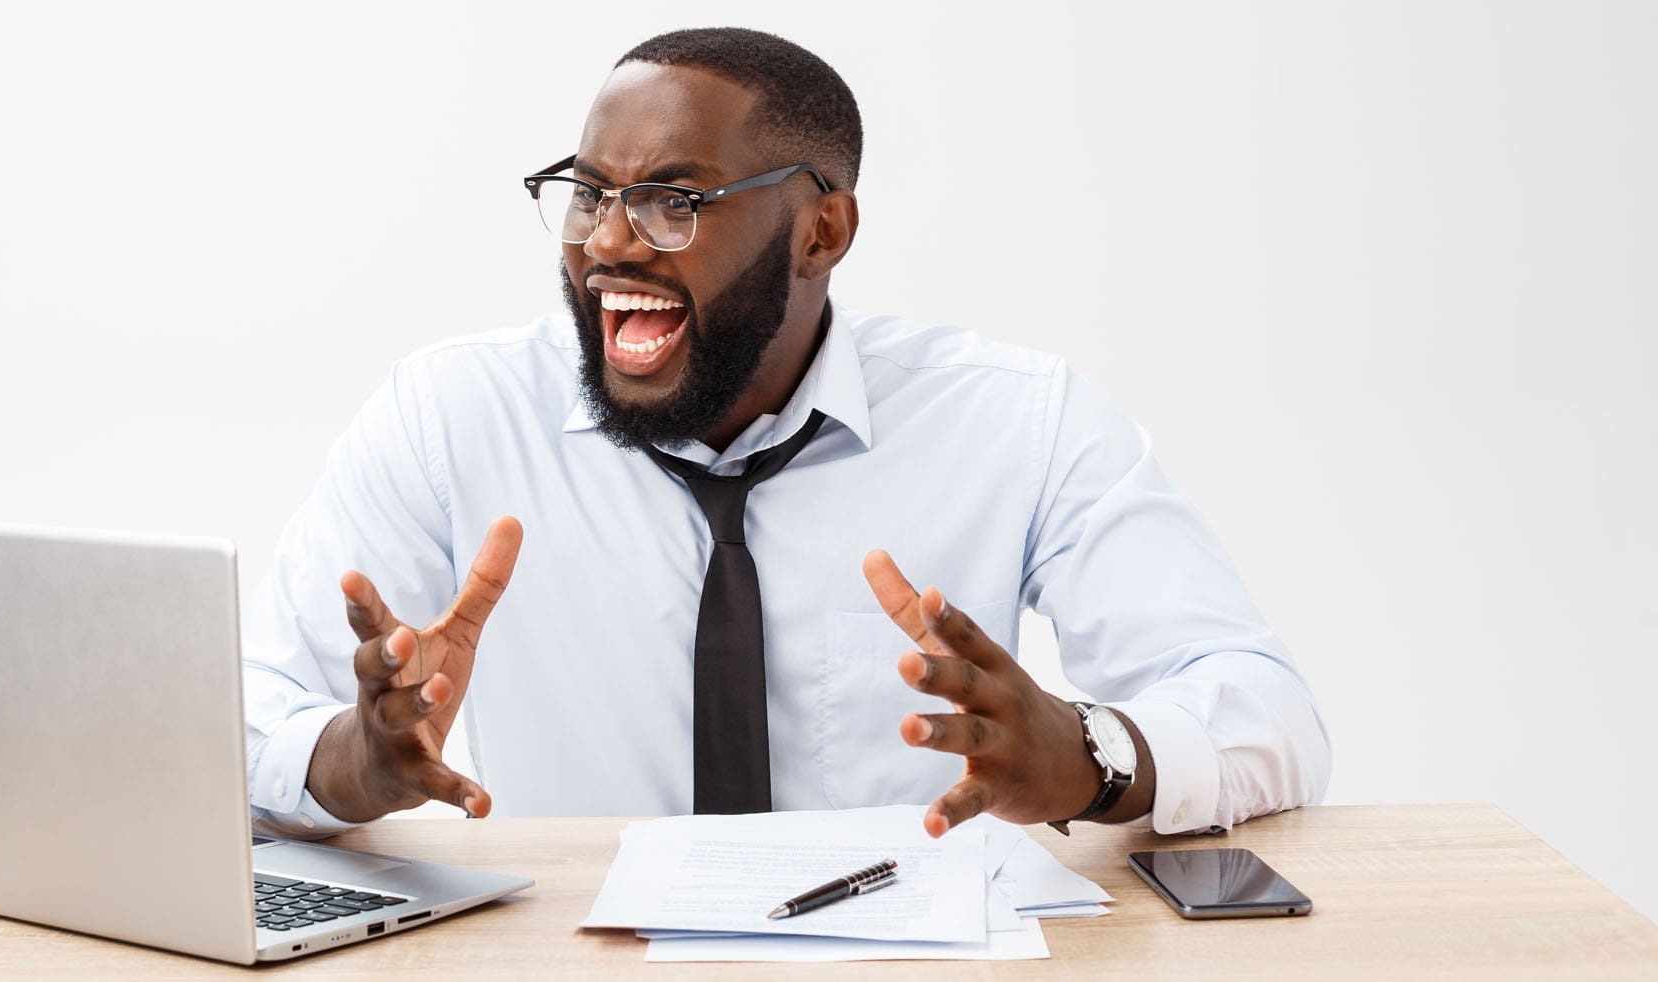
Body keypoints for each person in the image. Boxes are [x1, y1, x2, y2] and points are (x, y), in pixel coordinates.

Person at [242, 27, 1330, 841]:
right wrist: (360, 758)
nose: (609, 242)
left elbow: (1267, 710)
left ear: (822, 228)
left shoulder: (1016, 420)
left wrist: (1089, 758)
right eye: (587, 195)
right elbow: (245, 725)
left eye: (676, 202)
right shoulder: (451, 416)